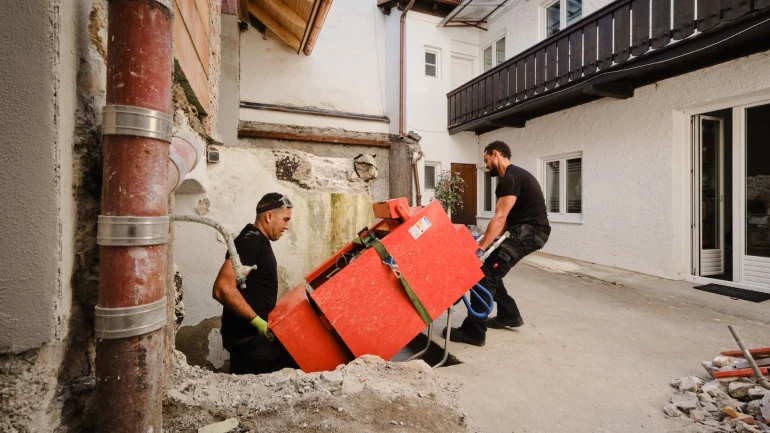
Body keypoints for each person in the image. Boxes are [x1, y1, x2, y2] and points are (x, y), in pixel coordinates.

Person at [447, 141, 551, 347]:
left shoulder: (510, 179)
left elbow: (500, 217)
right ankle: (508, 315)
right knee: (491, 269)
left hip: (529, 233)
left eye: (486, 160)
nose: (486, 165)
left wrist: (479, 249)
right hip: (527, 231)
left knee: (484, 277)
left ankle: (474, 332)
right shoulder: (515, 176)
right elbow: (506, 220)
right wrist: (486, 241)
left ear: (495, 154)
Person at [212, 192, 297, 374]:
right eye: (285, 219)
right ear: (269, 216)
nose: (286, 226)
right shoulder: (250, 241)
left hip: (251, 340)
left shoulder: (258, 240)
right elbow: (222, 289)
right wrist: (257, 322)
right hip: (248, 340)